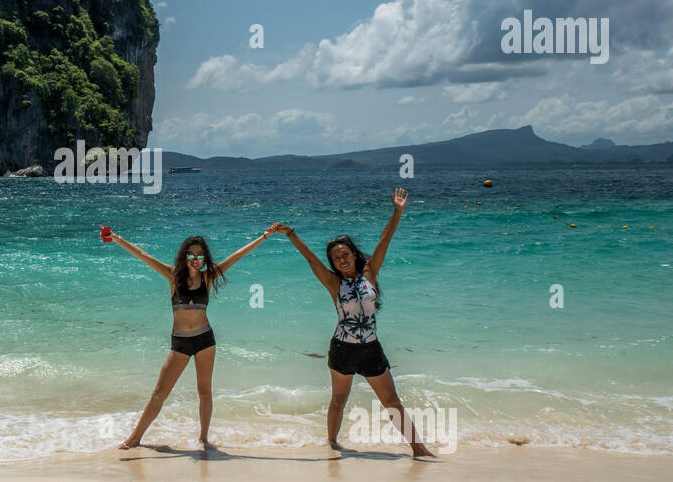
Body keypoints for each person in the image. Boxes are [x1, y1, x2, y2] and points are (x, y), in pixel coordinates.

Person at [274, 189, 434, 457]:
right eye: (337, 258)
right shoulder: (333, 282)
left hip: (371, 349)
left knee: (392, 401)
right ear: (333, 264)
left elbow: (385, 240)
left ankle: (418, 447)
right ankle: (333, 445)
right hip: (342, 349)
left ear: (354, 254)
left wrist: (397, 211)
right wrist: (291, 234)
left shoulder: (369, 273)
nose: (342, 259)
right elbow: (310, 259)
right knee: (338, 400)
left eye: (345, 254)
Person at [108, 226, 276, 449]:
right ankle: (135, 437)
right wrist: (117, 239)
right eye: (191, 255)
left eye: (199, 256)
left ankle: (203, 438)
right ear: (183, 256)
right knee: (159, 392)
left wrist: (264, 237)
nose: (195, 260)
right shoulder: (172, 276)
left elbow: (239, 254)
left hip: (205, 340)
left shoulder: (209, 276)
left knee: (204, 391)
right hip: (180, 342)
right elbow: (143, 255)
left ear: (204, 258)